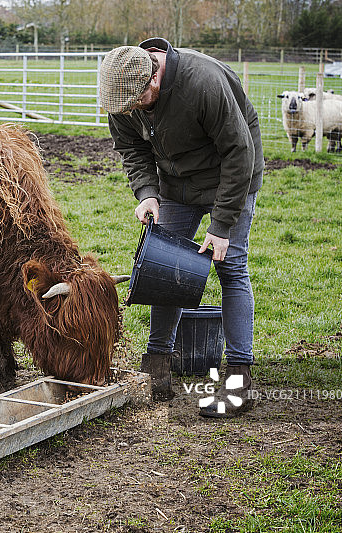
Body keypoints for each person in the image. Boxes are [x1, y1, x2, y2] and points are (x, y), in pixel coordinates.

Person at [99, 38, 263, 418]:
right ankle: (158, 363)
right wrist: (146, 193)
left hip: (231, 175)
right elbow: (132, 149)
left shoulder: (202, 83)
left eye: (137, 102)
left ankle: (239, 379)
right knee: (164, 265)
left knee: (231, 266)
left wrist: (221, 225)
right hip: (176, 184)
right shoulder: (123, 93)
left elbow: (240, 152)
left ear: (153, 79)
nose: (130, 111)